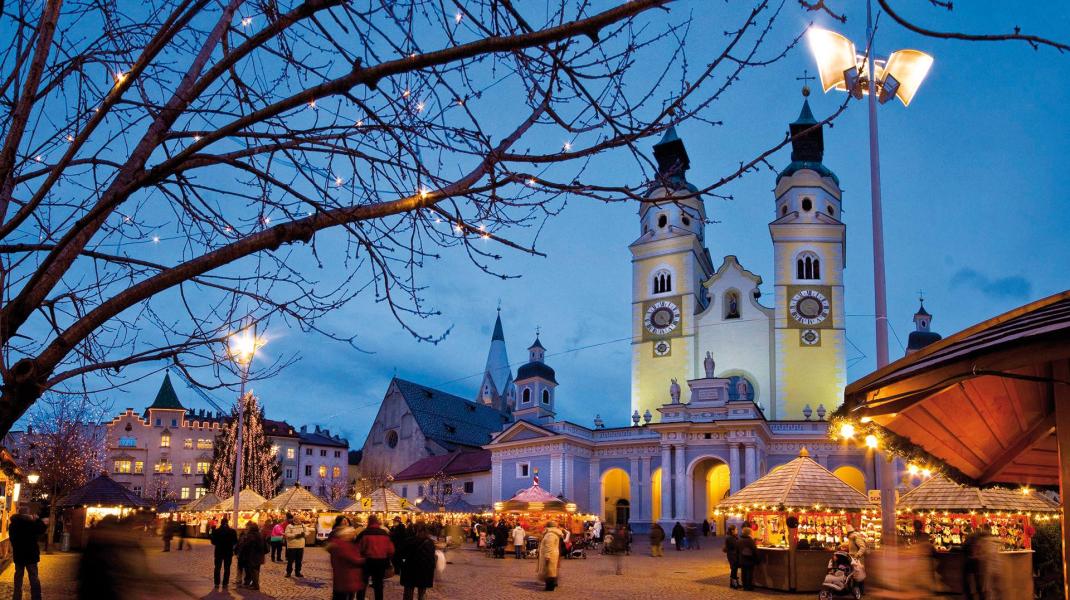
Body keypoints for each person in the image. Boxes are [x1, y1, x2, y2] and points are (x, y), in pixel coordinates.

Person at [9, 505, 46, 600]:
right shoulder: (32, 523)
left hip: (19, 555)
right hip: (31, 555)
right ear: (28, 513)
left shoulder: (13, 524)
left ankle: (16, 597)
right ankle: (36, 597)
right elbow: (42, 530)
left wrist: (16, 548)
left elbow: (12, 539)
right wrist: (37, 519)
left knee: (18, 576)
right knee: (33, 577)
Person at [355, 515, 394, 600]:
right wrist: (387, 559)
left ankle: (360, 598)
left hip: (367, 561)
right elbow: (391, 550)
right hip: (381, 562)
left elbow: (357, 548)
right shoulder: (384, 533)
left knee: (362, 583)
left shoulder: (364, 533)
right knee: (378, 585)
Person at [328, 516, 365, 600]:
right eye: (343, 521)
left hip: (347, 569)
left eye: (346, 521)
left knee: (344, 588)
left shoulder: (351, 532)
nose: (345, 522)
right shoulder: (336, 535)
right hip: (343, 566)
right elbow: (330, 546)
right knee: (341, 588)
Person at [399, 523, 437, 600]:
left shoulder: (408, 541)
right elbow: (431, 558)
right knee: (421, 594)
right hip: (424, 571)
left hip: (409, 570)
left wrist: (403, 563)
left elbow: (402, 556)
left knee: (408, 593)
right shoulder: (429, 542)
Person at [237, 521, 268, 590]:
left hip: (252, 556)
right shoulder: (260, 535)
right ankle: (254, 584)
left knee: (253, 571)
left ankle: (256, 586)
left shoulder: (251, 536)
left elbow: (246, 546)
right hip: (259, 556)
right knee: (256, 570)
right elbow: (266, 547)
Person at [536, 521, 565, 591]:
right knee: (551, 571)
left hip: (550, 555)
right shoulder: (553, 533)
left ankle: (549, 587)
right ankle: (551, 584)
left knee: (549, 571)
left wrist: (547, 555)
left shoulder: (550, 534)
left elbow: (549, 545)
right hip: (553, 554)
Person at [209, 516, 238, 589]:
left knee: (217, 568)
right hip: (228, 552)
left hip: (219, 552)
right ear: (227, 523)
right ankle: (225, 583)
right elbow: (235, 542)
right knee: (227, 568)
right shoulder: (232, 531)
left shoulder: (217, 531)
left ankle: (217, 583)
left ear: (221, 523)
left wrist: (211, 530)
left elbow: (213, 541)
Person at [283, 512, 307, 578]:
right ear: (294, 520)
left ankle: (298, 572)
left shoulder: (303, 525)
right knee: (290, 560)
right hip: (292, 546)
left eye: (299, 519)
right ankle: (288, 572)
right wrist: (296, 536)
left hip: (300, 546)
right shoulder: (289, 526)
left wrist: (304, 534)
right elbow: (287, 535)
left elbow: (307, 532)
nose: (298, 520)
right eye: (297, 519)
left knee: (299, 560)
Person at [738, 526, 759, 591]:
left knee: (743, 573)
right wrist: (757, 559)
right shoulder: (750, 540)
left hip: (742, 559)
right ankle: (749, 586)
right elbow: (754, 550)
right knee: (749, 573)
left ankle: (744, 586)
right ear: (749, 533)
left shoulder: (740, 539)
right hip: (749, 559)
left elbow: (738, 549)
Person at [723, 524, 740, 589]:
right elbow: (736, 545)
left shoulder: (733, 536)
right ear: (732, 530)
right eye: (736, 529)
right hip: (732, 555)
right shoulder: (730, 537)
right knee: (734, 569)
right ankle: (734, 584)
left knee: (734, 569)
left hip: (733, 554)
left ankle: (734, 583)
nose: (737, 530)